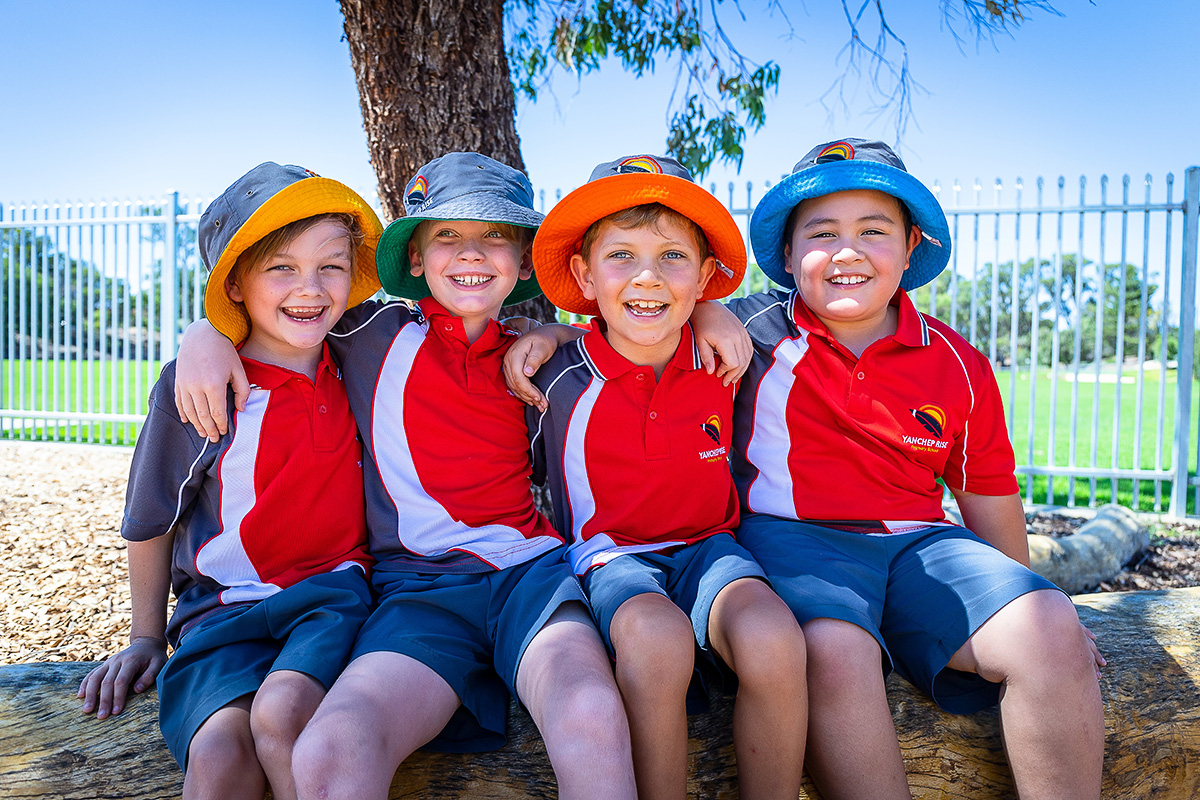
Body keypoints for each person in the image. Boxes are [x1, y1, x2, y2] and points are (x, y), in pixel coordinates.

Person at [506, 139, 1107, 800]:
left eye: (874, 232)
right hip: (797, 544)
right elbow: (640, 322)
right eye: (822, 234)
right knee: (833, 654)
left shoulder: (956, 361)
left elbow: (986, 493)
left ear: (912, 248)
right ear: (788, 257)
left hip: (921, 544)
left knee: (1049, 629)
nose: (847, 252)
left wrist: (1024, 594)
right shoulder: (751, 330)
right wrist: (556, 333)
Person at [77, 162, 381, 800]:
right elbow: (151, 518)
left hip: (332, 602)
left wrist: (540, 330)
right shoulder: (198, 389)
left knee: (287, 717)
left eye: (331, 264)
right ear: (236, 284)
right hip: (218, 616)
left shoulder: (361, 351)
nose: (311, 288)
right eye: (280, 268)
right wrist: (144, 636)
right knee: (218, 764)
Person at [524, 154, 807, 800]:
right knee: (657, 643)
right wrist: (541, 329)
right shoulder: (554, 378)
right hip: (609, 556)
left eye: (673, 257)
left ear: (706, 275)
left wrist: (712, 313)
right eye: (620, 255)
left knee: (775, 641)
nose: (648, 277)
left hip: (711, 551)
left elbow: (812, 305)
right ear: (583, 274)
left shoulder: (726, 356)